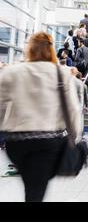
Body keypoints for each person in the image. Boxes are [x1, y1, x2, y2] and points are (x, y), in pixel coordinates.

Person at [0, 32, 81, 202]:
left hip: (16, 142)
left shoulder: (10, 72)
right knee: (36, 190)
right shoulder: (61, 74)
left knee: (32, 186)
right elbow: (73, 109)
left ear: (29, 49)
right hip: (47, 142)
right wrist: (75, 137)